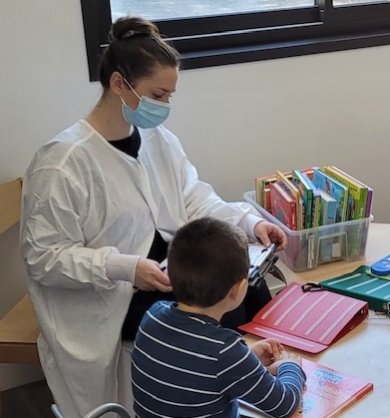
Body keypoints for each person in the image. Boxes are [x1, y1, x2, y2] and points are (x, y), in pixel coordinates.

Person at [19, 16, 287, 417]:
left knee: (251, 288)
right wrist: (127, 268)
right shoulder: (62, 163)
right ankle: (231, 394)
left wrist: (249, 223)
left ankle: (244, 388)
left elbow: (194, 197)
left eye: (169, 96)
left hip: (165, 271)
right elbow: (45, 259)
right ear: (118, 84)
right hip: (112, 294)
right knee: (214, 317)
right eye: (157, 95)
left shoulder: (157, 139)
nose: (164, 106)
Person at [131, 217, 304, 417]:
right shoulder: (225, 351)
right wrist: (290, 366)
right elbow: (284, 404)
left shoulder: (152, 315)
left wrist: (247, 359)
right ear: (238, 289)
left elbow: (191, 364)